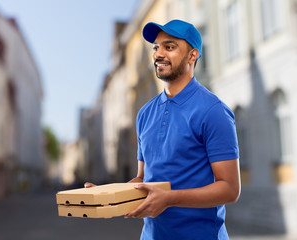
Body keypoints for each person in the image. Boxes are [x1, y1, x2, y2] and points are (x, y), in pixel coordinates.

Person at [86, 19, 240, 240]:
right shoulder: (145, 114)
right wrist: (105, 196)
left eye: (169, 47)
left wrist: (169, 198)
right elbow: (142, 180)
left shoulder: (213, 111)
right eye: (156, 47)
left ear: (192, 55)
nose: (158, 54)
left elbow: (230, 189)